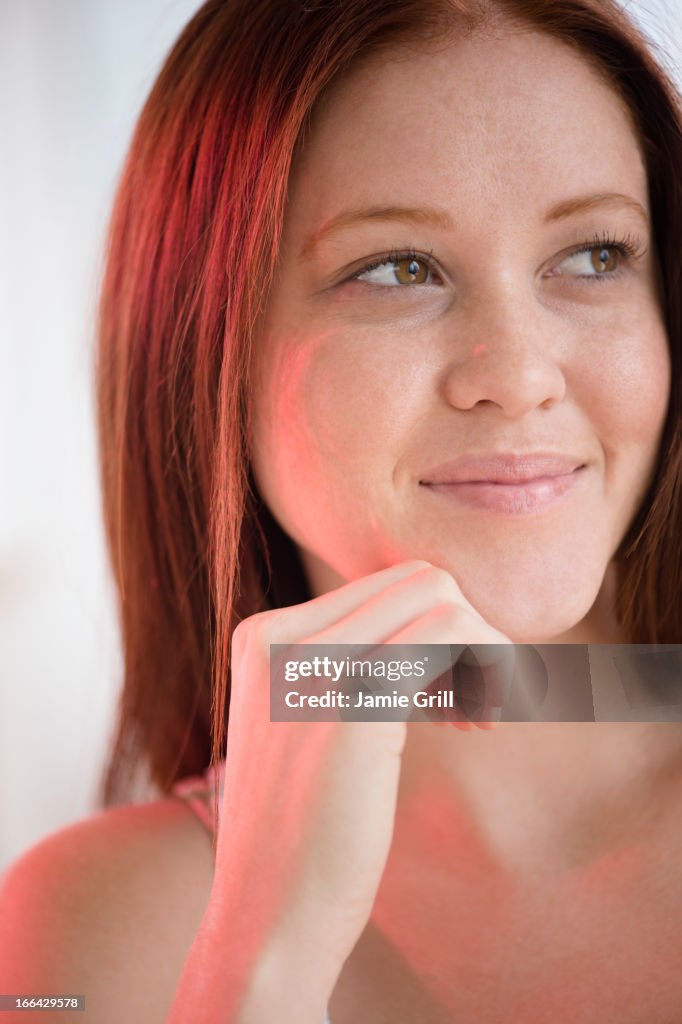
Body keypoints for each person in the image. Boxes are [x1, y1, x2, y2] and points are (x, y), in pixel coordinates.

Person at [1, 0, 681, 1021]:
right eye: (397, 268)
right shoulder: (86, 927)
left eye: (592, 255)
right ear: (205, 357)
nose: (521, 375)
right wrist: (256, 972)